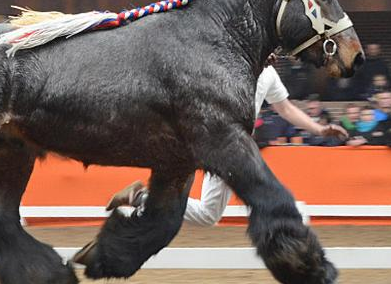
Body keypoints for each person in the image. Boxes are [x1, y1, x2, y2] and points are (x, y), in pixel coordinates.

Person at [106, 58, 348, 226]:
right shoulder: (226, 66)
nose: (274, 55)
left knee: (208, 215)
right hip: (221, 145)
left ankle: (140, 198)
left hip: (235, 146)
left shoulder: (269, 75)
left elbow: (285, 108)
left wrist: (318, 128)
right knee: (264, 190)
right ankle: (295, 223)